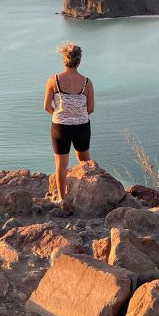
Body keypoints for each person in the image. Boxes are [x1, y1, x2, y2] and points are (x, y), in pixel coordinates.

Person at [43, 40, 95, 202]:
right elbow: (90, 109)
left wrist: (59, 115)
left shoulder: (53, 80)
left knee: (61, 164)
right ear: (79, 61)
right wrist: (76, 115)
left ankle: (62, 199)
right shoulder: (87, 82)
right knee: (85, 161)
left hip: (60, 128)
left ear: (64, 59)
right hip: (81, 127)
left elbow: (46, 106)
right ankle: (89, 195)